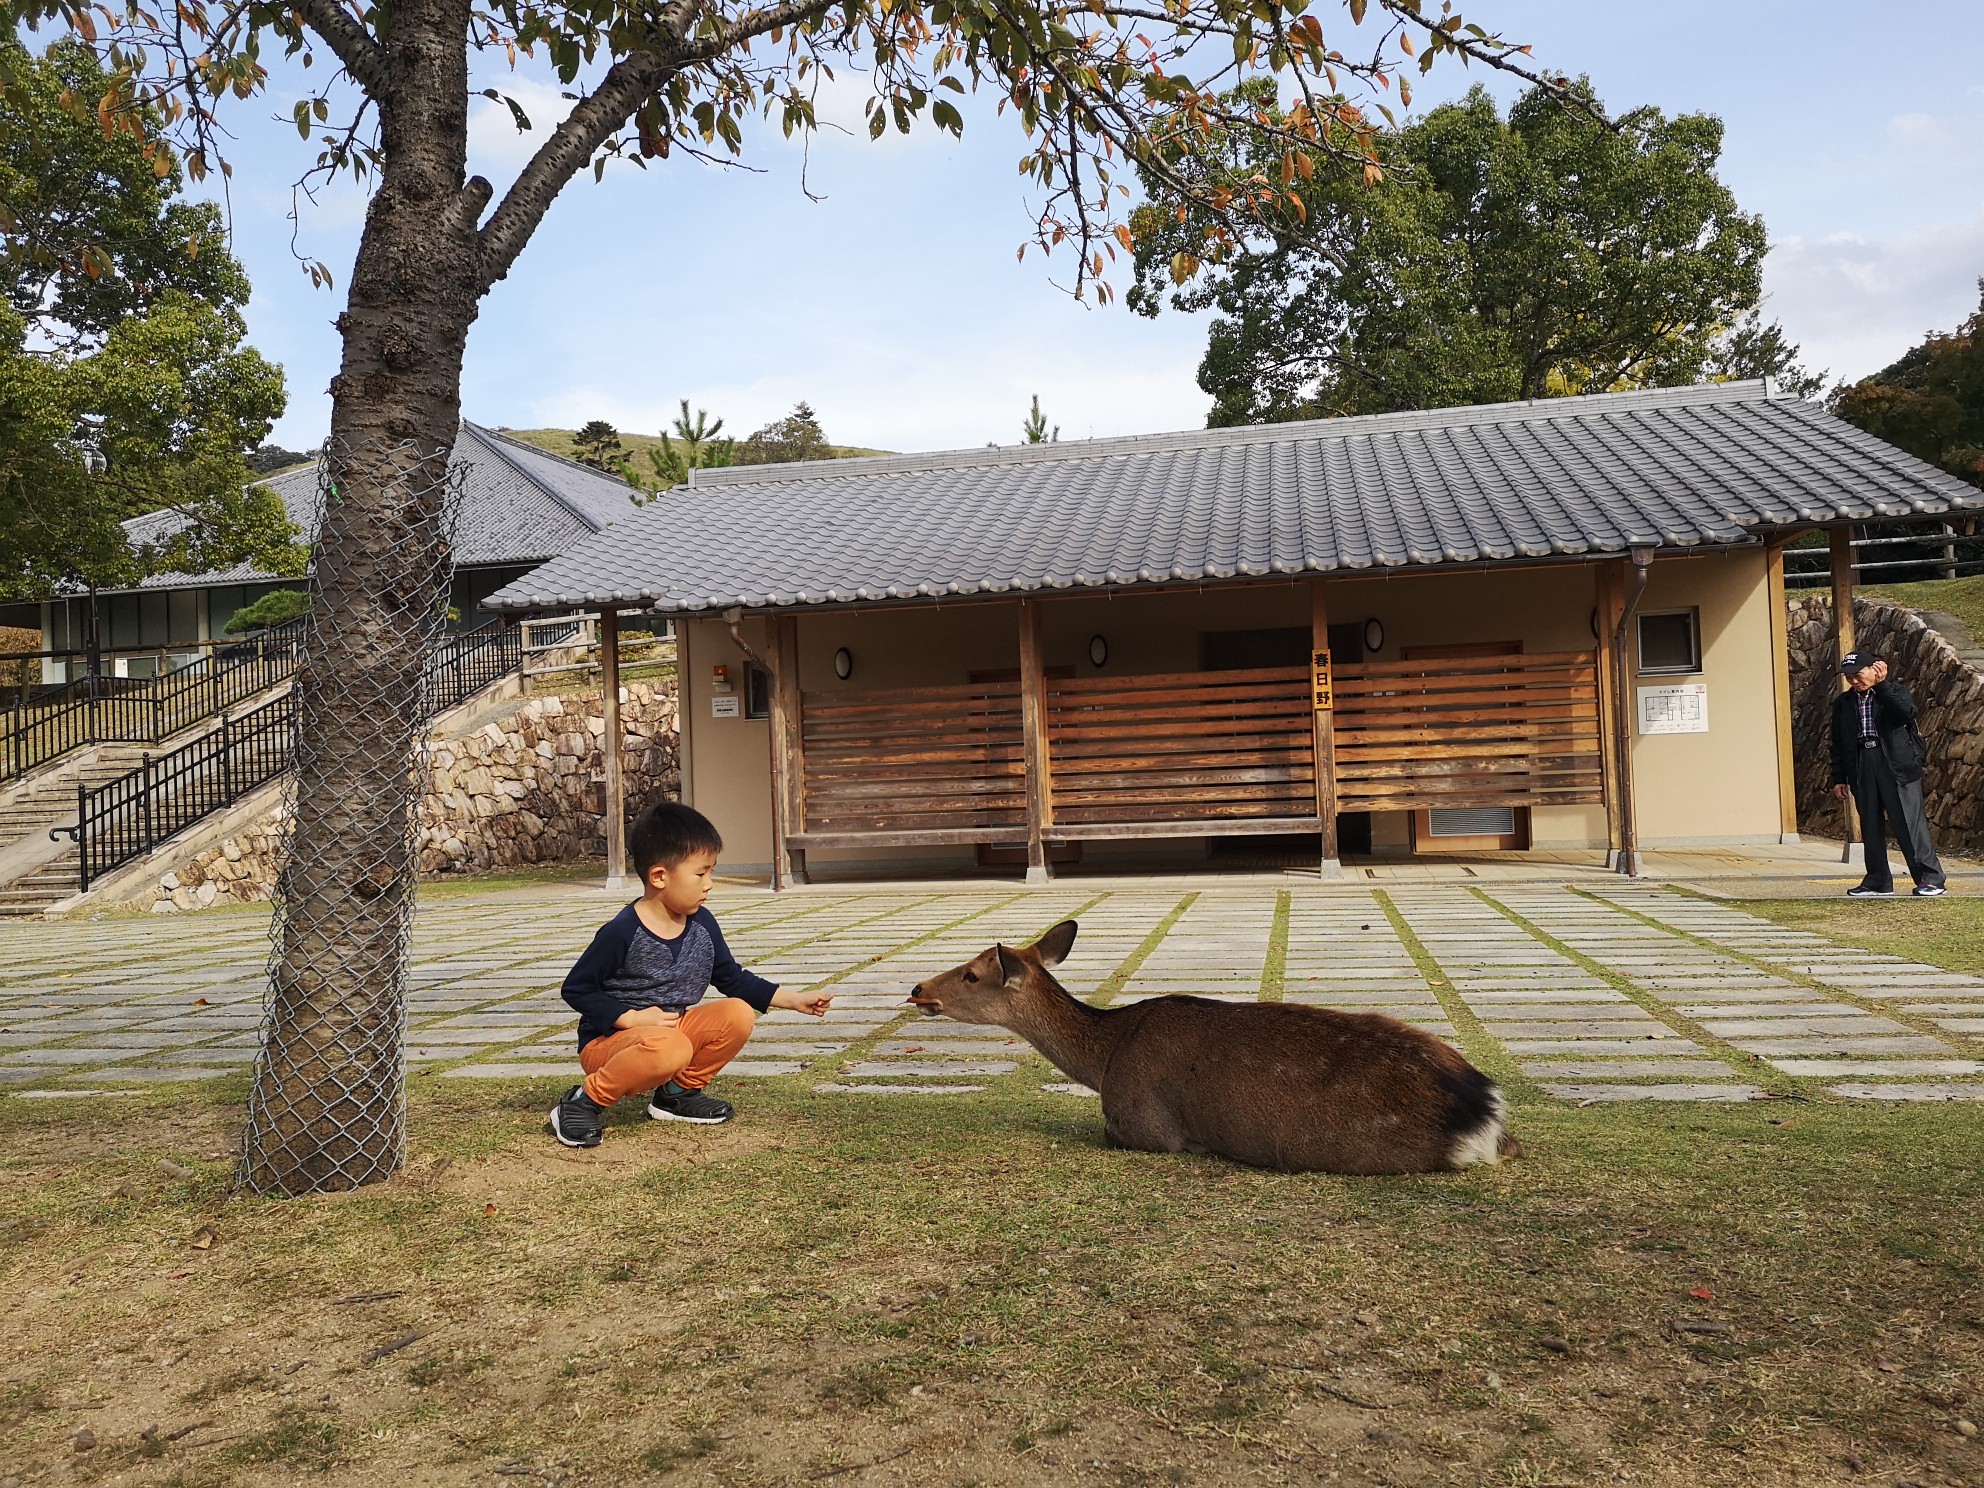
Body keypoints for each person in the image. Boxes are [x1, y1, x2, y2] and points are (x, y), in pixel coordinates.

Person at [549, 801, 833, 1147]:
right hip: (610, 1044)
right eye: (701, 874)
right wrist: (630, 1019)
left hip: (670, 1037)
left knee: (738, 1013)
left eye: (711, 872)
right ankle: (581, 1103)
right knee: (671, 1047)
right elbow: (576, 988)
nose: (709, 884)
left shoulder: (702, 924)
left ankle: (676, 1095)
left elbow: (732, 978)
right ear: (659, 876)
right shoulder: (622, 932)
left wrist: (794, 999)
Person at [1830, 650, 1947, 899]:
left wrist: (1882, 688)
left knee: (1908, 823)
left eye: (1858, 674)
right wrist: (1839, 777)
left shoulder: (1893, 692)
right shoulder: (1843, 703)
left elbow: (1906, 714)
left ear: (1875, 669)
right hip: (1861, 764)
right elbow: (1837, 743)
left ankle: (1930, 879)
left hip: (1895, 764)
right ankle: (1877, 880)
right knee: (1870, 824)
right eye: (1849, 677)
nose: (1854, 681)